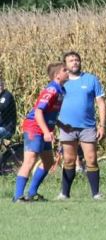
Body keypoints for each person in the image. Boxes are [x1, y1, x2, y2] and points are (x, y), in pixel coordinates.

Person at [13, 62, 69, 202]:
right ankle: (17, 196)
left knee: (48, 161)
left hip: (44, 128)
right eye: (65, 70)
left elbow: (50, 113)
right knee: (30, 160)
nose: (67, 71)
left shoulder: (62, 90)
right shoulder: (51, 90)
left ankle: (32, 193)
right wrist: (46, 132)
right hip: (34, 127)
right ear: (57, 75)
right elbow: (38, 112)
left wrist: (62, 125)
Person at [56, 51, 106, 200]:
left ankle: (96, 194)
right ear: (65, 65)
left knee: (91, 159)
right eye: (71, 60)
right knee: (69, 160)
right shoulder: (61, 82)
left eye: (77, 60)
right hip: (66, 127)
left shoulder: (91, 79)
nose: (75, 62)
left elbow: (101, 104)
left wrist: (102, 125)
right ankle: (64, 193)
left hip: (88, 127)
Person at [0, 75, 17, 141]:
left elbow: (2, 107)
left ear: (3, 85)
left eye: (1, 84)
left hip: (7, 128)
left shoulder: (7, 95)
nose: (0, 87)